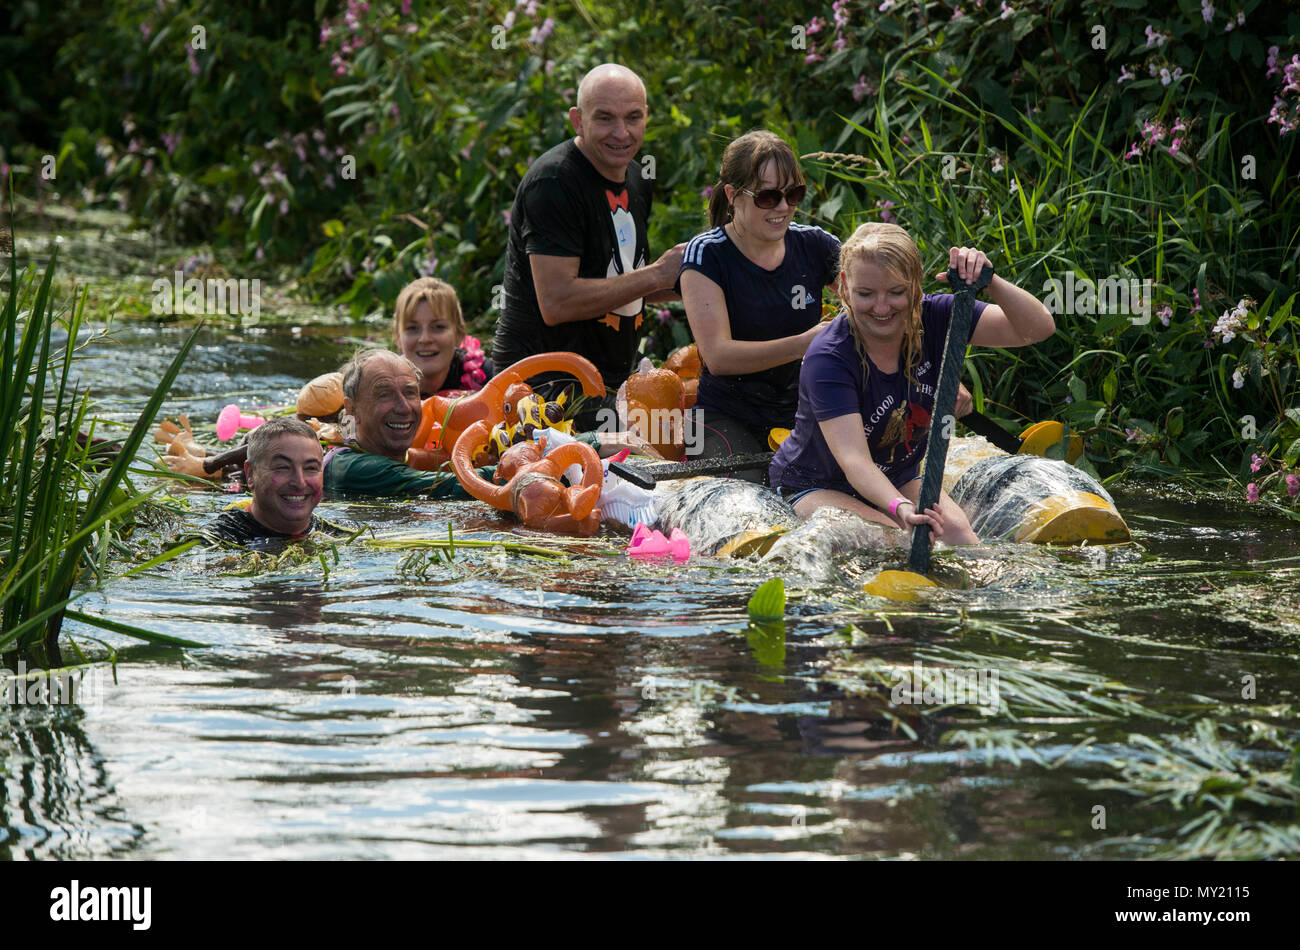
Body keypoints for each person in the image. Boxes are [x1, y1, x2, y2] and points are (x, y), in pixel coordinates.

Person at [769, 222, 1056, 543]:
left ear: (916, 286)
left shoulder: (938, 315)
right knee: (899, 539)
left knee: (960, 535)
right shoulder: (829, 356)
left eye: (895, 292)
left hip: (898, 474)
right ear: (845, 287)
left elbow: (1037, 329)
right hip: (817, 484)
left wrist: (992, 283)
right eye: (866, 294)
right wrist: (901, 508)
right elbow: (855, 462)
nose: (881, 308)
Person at [493, 63, 685, 429]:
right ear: (577, 121)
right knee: (665, 436)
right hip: (540, 388)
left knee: (691, 418)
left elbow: (622, 282)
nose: (622, 133)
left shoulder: (637, 174)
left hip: (609, 383)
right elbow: (557, 302)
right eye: (605, 119)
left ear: (647, 117)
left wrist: (693, 281)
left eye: (633, 117)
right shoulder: (553, 182)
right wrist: (658, 274)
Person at [679, 131, 841, 478]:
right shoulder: (707, 254)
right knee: (748, 503)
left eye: (793, 193)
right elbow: (719, 357)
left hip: (803, 410)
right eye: (768, 197)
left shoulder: (816, 245)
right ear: (732, 196)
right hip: (724, 416)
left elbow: (880, 304)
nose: (783, 207)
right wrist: (805, 342)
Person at [323, 348, 490, 496]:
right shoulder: (353, 468)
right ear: (352, 408)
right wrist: (509, 467)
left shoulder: (361, 452)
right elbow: (456, 486)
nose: (404, 408)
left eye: (410, 393)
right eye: (384, 395)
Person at [203, 417, 348, 546]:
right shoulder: (216, 541)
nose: (300, 483)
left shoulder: (343, 535)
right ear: (251, 474)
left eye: (310, 468)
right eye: (283, 468)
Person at [393, 277, 493, 399]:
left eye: (438, 327)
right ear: (397, 336)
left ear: (459, 334)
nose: (425, 339)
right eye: (412, 328)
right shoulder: (384, 383)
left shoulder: (487, 377)